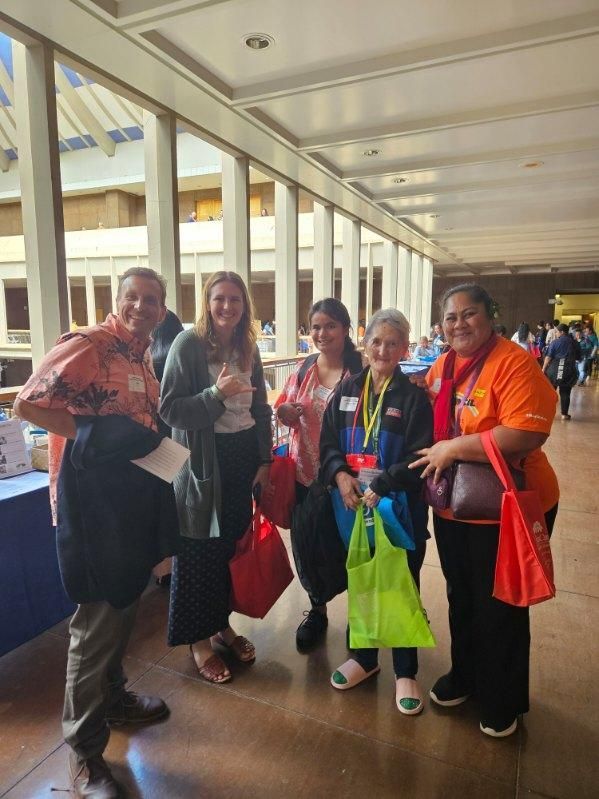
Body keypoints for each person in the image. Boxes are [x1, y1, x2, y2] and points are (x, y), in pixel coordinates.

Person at [13, 267, 179, 798]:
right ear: (118, 299)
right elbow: (27, 403)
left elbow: (140, 428)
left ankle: (113, 697)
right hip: (91, 506)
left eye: (151, 300)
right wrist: (93, 437)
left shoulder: (141, 354)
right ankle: (84, 754)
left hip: (128, 503)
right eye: (134, 297)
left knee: (123, 604)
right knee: (96, 621)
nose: (142, 307)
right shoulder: (88, 344)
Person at [411, 283, 559, 738]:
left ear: (490, 315)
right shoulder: (443, 365)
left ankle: (502, 698)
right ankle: (467, 674)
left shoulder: (514, 364)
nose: (459, 324)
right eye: (450, 317)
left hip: (511, 504)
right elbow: (430, 402)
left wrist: (454, 446)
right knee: (462, 595)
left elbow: (526, 435)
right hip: (456, 505)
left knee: (501, 604)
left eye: (469, 314)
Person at [160, 270, 272, 684]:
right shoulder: (188, 345)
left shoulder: (248, 347)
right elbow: (170, 408)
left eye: (235, 300)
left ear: (245, 307)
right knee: (198, 551)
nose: (227, 307)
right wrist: (216, 395)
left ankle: (221, 624)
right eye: (219, 298)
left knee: (230, 547)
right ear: (207, 302)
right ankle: (199, 641)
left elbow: (261, 409)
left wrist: (265, 459)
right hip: (202, 463)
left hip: (243, 455)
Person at [320, 308, 433, 715]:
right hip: (352, 503)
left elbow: (422, 456)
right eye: (376, 341)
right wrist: (340, 477)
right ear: (365, 345)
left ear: (404, 348)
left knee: (402, 582)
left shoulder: (414, 397)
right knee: (362, 577)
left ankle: (406, 670)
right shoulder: (348, 389)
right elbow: (328, 443)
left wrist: (382, 483)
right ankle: (364, 659)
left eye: (392, 342)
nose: (383, 349)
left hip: (395, 506)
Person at [274, 298, 363, 649]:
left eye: (329, 325)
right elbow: (282, 405)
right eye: (315, 327)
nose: (321, 333)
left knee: (349, 544)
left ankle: (359, 615)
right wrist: (285, 411)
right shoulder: (305, 367)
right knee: (308, 545)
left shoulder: (359, 373)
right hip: (302, 474)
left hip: (344, 477)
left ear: (344, 329)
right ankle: (317, 610)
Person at [542, 323, 580, 420]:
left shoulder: (555, 342)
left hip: (554, 370)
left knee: (550, 392)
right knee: (565, 393)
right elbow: (578, 357)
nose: (556, 333)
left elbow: (548, 357)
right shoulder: (574, 342)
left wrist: (543, 369)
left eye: (557, 332)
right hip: (568, 370)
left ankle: (545, 412)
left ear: (562, 332)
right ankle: (564, 414)